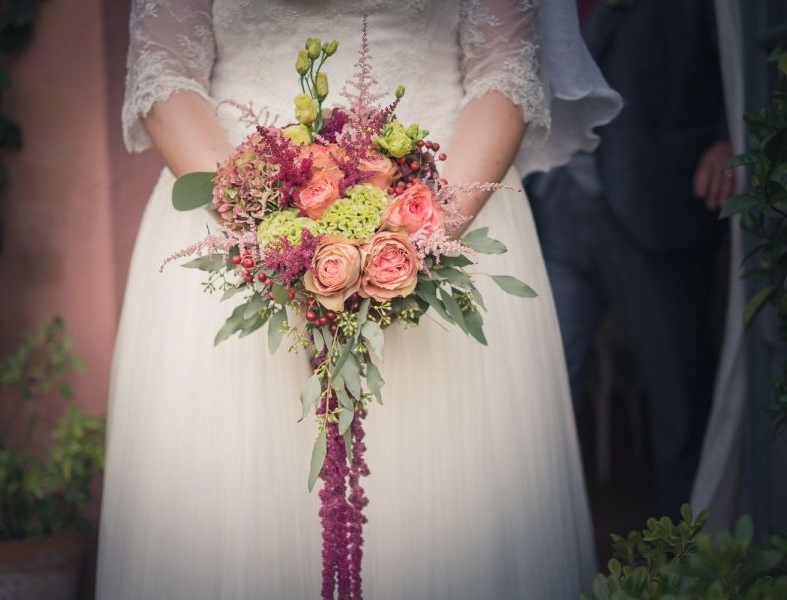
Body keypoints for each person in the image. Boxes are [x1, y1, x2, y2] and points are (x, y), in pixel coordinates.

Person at [96, 1, 621, 598]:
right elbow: (166, 76)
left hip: (449, 208)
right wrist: (269, 236)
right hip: (231, 221)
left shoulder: (436, 227)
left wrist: (420, 239)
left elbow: (505, 71)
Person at [527, 0, 731, 518]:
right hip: (551, 212)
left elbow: (736, 57)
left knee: (678, 404)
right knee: (538, 398)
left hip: (655, 204)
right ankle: (542, 543)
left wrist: (733, 139)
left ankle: (686, 566)